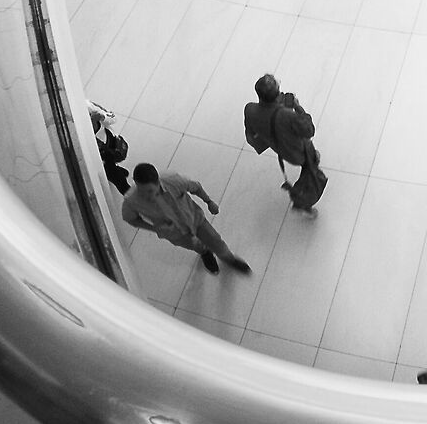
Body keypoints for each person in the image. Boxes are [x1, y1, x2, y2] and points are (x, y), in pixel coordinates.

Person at [121, 163, 250, 275]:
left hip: (196, 221)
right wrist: (155, 228)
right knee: (195, 246)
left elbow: (196, 187)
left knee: (216, 241)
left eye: (149, 191)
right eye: (141, 190)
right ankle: (205, 253)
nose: (146, 196)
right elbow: (131, 219)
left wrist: (208, 201)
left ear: (158, 182)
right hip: (176, 234)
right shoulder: (131, 200)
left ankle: (229, 259)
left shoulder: (173, 181)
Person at [243, 74, 326, 212]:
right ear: (276, 95)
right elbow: (309, 130)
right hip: (299, 152)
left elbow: (255, 127)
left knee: (309, 159)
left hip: (279, 148)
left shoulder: (249, 109)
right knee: (311, 167)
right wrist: (297, 107)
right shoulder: (287, 115)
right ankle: (305, 202)